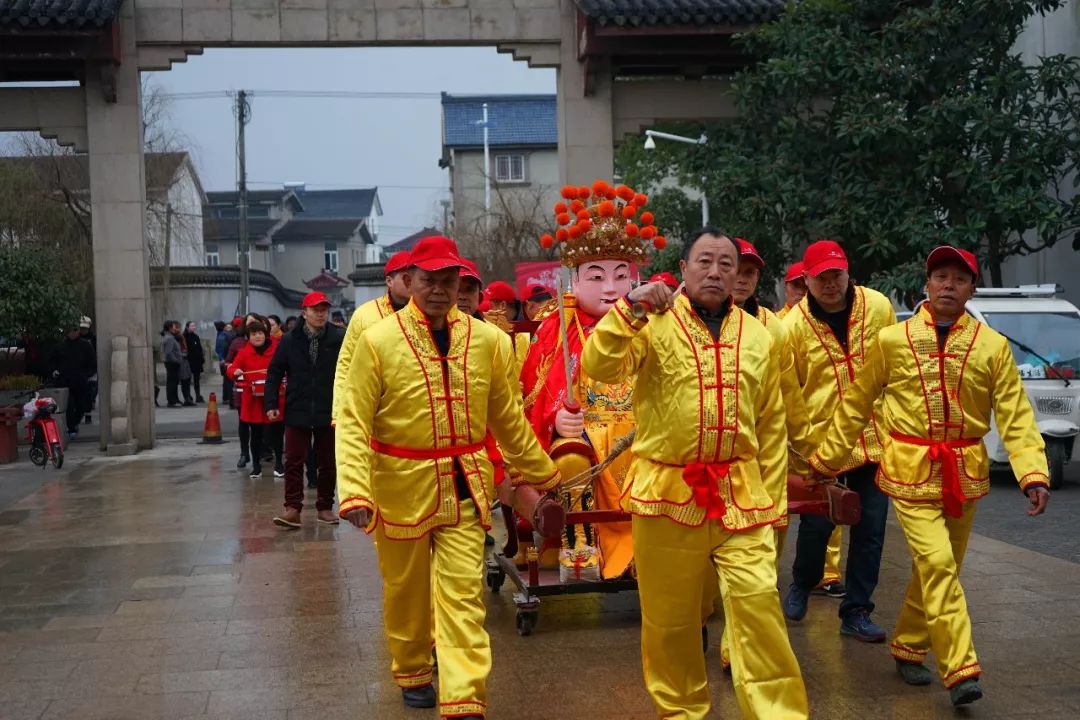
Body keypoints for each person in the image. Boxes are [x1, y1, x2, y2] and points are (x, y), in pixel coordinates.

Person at [806, 245, 1050, 706]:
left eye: (959, 279)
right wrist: (827, 459)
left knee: (940, 569)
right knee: (938, 564)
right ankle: (960, 669)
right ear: (926, 284)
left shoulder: (991, 346)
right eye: (941, 276)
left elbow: (1015, 415)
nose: (948, 286)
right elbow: (857, 403)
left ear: (971, 290)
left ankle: (909, 645)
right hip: (910, 469)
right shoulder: (892, 341)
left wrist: (1032, 473)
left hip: (965, 471)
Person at [581, 225, 807, 720]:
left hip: (741, 493)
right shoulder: (653, 322)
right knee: (672, 622)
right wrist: (631, 307)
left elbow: (770, 426)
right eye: (704, 261)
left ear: (739, 276)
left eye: (726, 264)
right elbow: (597, 366)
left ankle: (780, 713)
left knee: (759, 609)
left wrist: (772, 507)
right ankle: (681, 712)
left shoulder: (758, 336)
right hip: (667, 492)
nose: (715, 271)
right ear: (683, 269)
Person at [336, 235, 560, 717]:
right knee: (406, 591)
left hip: (465, 487)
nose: (439, 289)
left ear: (461, 283)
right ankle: (413, 666)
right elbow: (353, 419)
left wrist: (546, 472)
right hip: (398, 485)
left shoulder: (488, 342)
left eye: (448, 280)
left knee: (463, 596)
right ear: (410, 281)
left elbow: (506, 417)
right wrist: (354, 490)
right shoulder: (377, 341)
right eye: (429, 280)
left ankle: (463, 699)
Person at [520, 181, 649, 584]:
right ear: (573, 280)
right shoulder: (556, 328)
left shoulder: (654, 324)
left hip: (644, 429)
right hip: (585, 433)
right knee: (572, 455)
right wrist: (556, 418)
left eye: (620, 276)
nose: (610, 288)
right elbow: (532, 395)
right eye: (596, 277)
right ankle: (581, 542)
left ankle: (656, 546)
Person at [782, 239, 897, 642]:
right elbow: (791, 393)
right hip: (822, 446)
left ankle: (857, 610)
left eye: (837, 275)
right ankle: (802, 582)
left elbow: (895, 368)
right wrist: (802, 453)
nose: (830, 284)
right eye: (821, 278)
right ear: (807, 281)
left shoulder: (879, 307)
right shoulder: (791, 327)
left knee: (871, 529)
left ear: (849, 273)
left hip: (875, 439)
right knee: (816, 529)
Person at [265, 292, 345, 528]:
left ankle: (325, 507)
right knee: (293, 461)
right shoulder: (290, 340)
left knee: (328, 462)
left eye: (324, 309)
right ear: (304, 312)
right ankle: (292, 509)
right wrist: (271, 404)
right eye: (315, 309)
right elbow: (274, 372)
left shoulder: (338, 337)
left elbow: (352, 369)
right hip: (297, 408)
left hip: (328, 408)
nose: (320, 313)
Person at [332, 250, 411, 425]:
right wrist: (340, 410)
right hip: (375, 404)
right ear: (389, 281)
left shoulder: (429, 313)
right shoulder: (365, 315)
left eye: (416, 276)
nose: (411, 282)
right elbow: (346, 362)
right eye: (406, 276)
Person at [228, 319, 285, 479]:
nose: (257, 337)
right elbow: (232, 368)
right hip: (253, 399)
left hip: (274, 397)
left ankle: (279, 464)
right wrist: (235, 372)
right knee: (256, 434)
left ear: (265, 334)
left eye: (260, 333)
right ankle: (256, 466)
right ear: (248, 336)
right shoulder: (244, 352)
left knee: (276, 432)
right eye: (253, 334)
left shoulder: (276, 349)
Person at [54, 324, 96, 440]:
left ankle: (75, 423)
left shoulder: (85, 346)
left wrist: (87, 374)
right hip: (65, 382)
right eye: (70, 330)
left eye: (75, 330)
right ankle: (71, 428)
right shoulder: (61, 347)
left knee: (83, 405)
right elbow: (53, 362)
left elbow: (92, 363)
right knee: (69, 405)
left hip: (81, 381)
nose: (73, 332)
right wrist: (55, 372)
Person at [225, 317, 253, 467]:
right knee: (243, 422)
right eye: (248, 323)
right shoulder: (237, 343)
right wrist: (235, 370)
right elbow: (227, 362)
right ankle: (244, 453)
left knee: (261, 425)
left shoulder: (267, 343)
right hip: (242, 389)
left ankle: (262, 452)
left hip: (260, 390)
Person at [161, 321, 184, 408]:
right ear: (170, 328)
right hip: (172, 363)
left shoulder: (169, 337)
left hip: (172, 363)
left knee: (173, 382)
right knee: (172, 383)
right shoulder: (169, 338)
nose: (175, 328)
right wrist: (176, 360)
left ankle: (173, 400)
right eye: (174, 327)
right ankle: (172, 401)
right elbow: (169, 353)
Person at [183, 321, 206, 404]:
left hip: (197, 361)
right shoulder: (184, 336)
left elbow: (199, 348)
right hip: (188, 361)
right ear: (187, 327)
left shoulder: (196, 336)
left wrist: (202, 357)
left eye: (194, 325)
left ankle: (198, 395)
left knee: (197, 380)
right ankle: (188, 396)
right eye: (192, 326)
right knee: (187, 380)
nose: (193, 327)